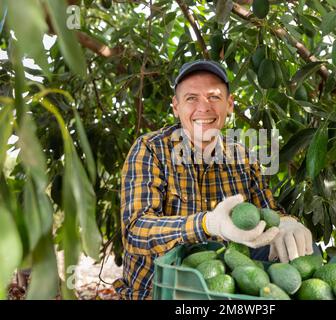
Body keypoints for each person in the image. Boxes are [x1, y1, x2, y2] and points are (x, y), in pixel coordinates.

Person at [113, 60, 313, 300]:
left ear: (229, 105)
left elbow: (269, 212)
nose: (203, 107)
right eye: (191, 98)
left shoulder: (243, 158)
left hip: (224, 294)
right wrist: (207, 224)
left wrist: (286, 223)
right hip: (157, 293)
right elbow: (136, 231)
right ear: (176, 107)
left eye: (214, 97)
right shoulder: (150, 150)